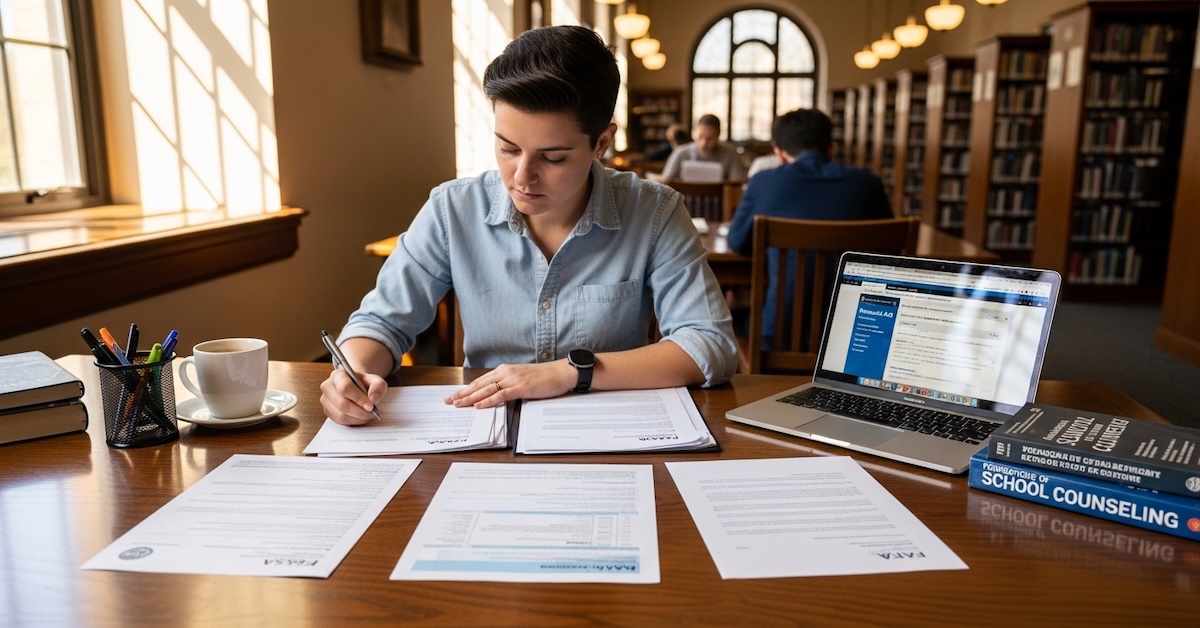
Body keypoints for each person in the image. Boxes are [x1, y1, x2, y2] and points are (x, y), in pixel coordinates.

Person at [321, 26, 738, 425]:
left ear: (601, 143)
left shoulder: (654, 212)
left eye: (552, 157)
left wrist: (570, 372)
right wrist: (352, 372)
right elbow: (380, 323)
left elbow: (710, 345)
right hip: (482, 429)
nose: (522, 176)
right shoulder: (453, 208)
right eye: (507, 148)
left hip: (608, 437)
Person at [726, 108, 893, 342]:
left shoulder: (763, 182)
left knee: (738, 319)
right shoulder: (869, 185)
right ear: (831, 147)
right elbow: (890, 253)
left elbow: (737, 242)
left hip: (781, 333)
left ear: (779, 154)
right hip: (859, 332)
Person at [660, 114, 746, 181]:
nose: (703, 143)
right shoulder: (681, 152)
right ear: (694, 132)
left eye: (710, 139)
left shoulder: (730, 153)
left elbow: (736, 183)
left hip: (719, 202)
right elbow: (667, 181)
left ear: (718, 135)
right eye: (700, 137)